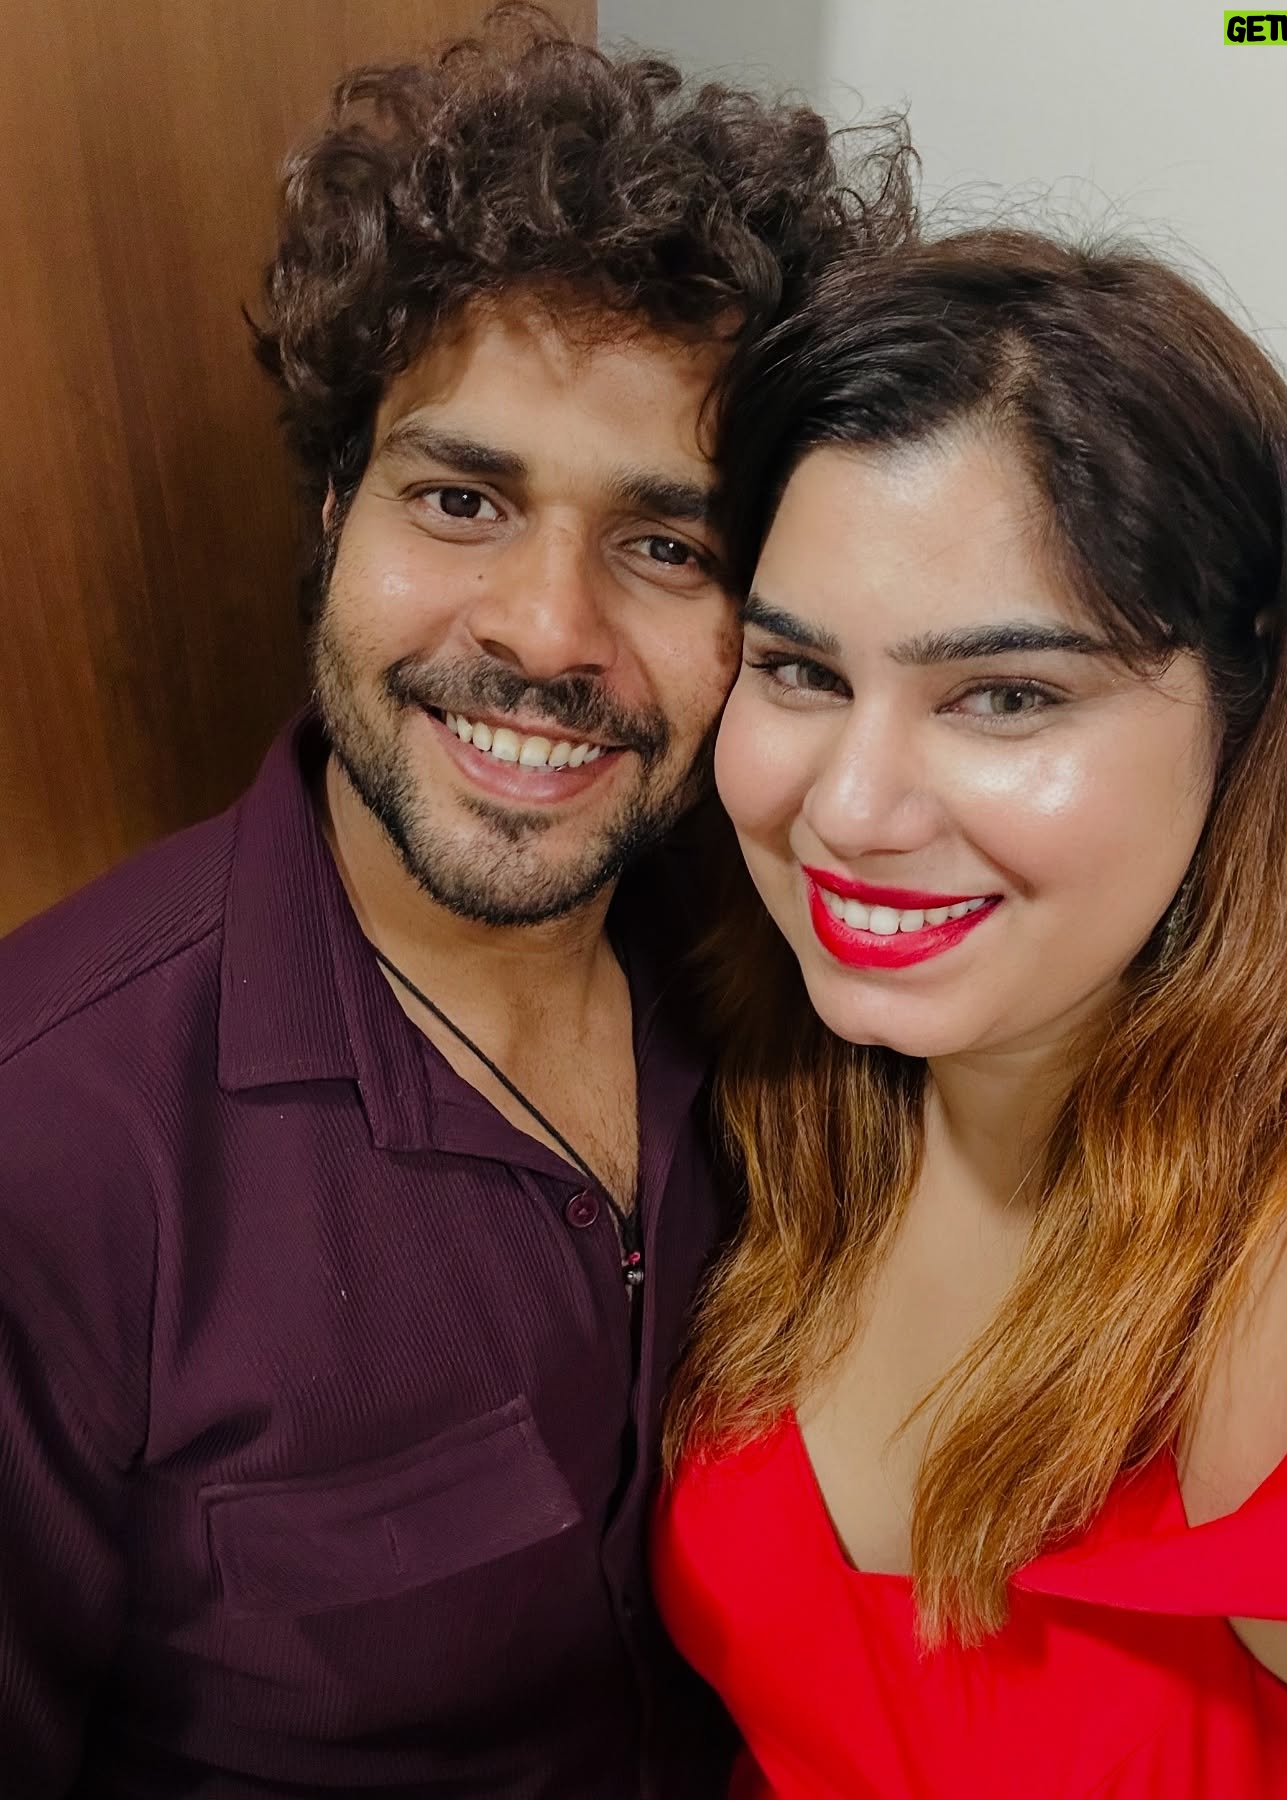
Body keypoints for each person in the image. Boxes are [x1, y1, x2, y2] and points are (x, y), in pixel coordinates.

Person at [0, 13, 916, 1795]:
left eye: (667, 545)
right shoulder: (54, 1144)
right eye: (461, 498)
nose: (549, 632)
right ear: (334, 511)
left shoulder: (814, 979)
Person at [654, 229, 1287, 1797]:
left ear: (1248, 700)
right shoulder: (787, 1085)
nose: (850, 809)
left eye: (1005, 696)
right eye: (800, 672)